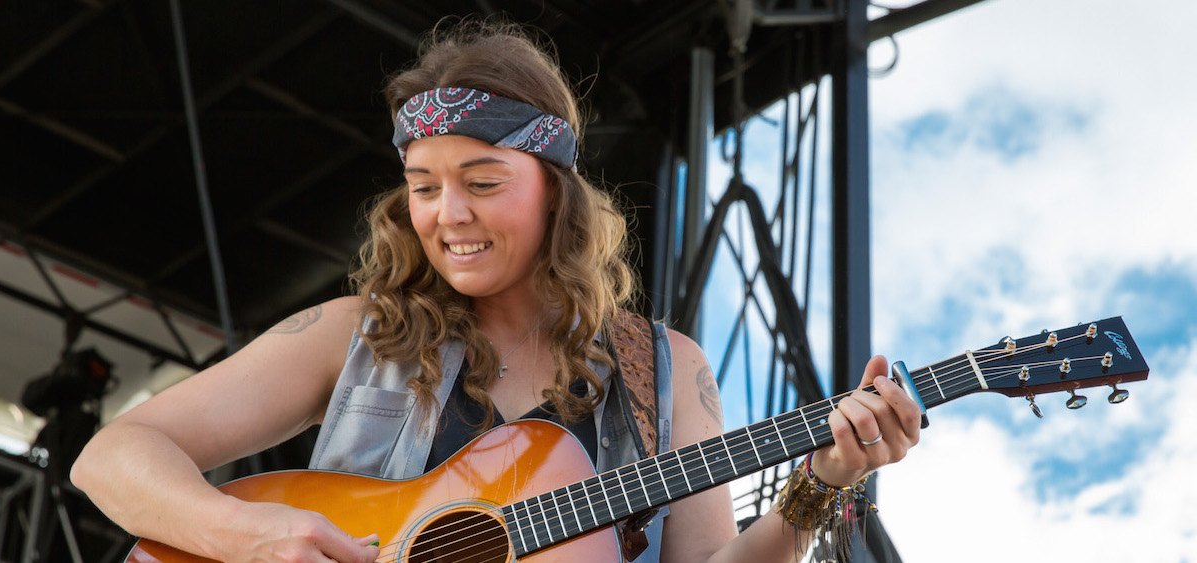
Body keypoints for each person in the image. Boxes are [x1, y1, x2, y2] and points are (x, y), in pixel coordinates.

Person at [70, 20, 922, 563]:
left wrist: (821, 481)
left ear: (556, 190)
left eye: (482, 180)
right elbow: (110, 455)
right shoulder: (355, 333)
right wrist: (251, 535)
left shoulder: (664, 368)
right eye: (424, 183)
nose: (447, 215)